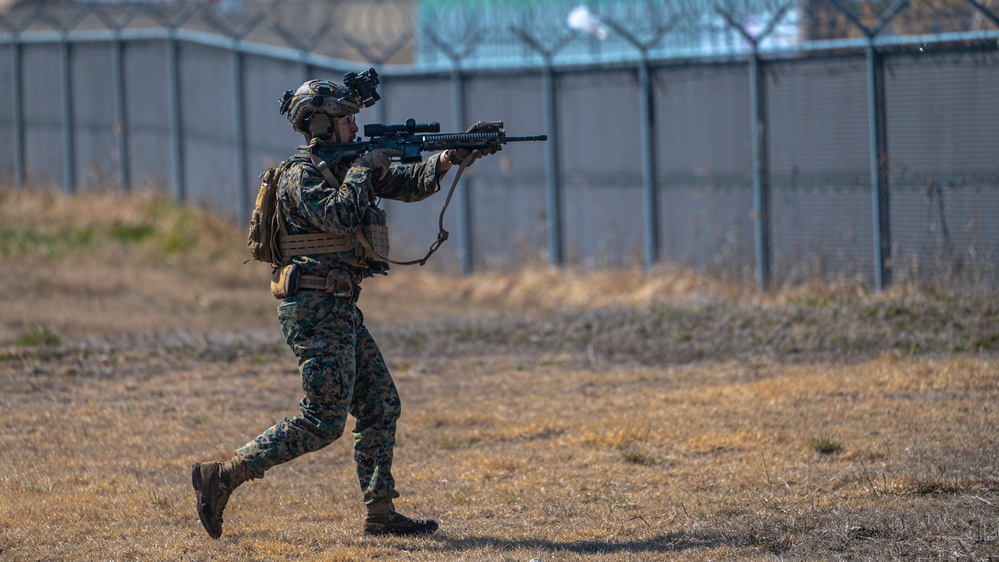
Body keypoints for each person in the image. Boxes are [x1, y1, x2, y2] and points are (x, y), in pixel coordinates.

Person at [191, 78, 498, 539]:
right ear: (321, 125)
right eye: (348, 120)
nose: (357, 128)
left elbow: (406, 184)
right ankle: (223, 476)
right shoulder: (300, 174)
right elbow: (339, 214)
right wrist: (362, 169)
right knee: (322, 420)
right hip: (312, 306)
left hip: (339, 304)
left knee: (380, 404)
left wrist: (451, 156)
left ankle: (380, 513)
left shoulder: (349, 165)